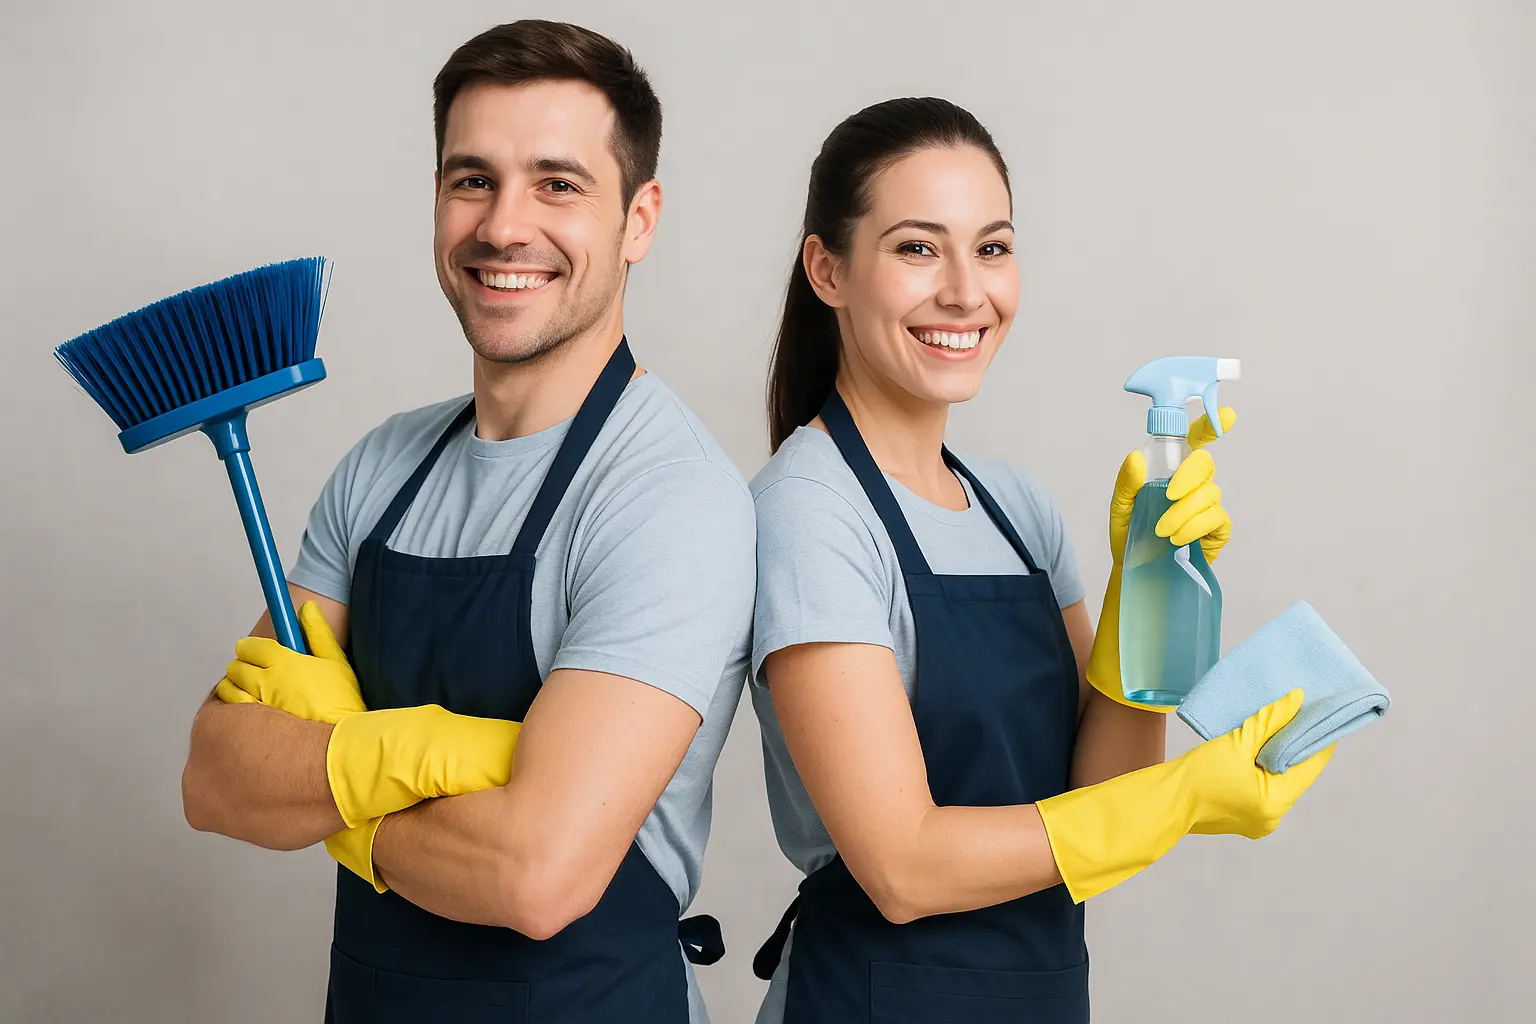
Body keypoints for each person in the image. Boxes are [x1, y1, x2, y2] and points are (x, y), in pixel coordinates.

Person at [179, 20, 755, 1024]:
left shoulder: (668, 496)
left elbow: (538, 874)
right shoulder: (383, 467)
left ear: (639, 218)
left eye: (558, 184)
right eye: (472, 179)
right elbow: (218, 774)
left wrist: (338, 785)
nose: (502, 226)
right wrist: (407, 757)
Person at [745, 97, 1334, 1023]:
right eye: (915, 248)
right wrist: (1187, 798)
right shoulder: (808, 513)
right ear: (828, 269)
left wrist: (1150, 593)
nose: (964, 292)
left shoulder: (1018, 510)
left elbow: (1104, 801)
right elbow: (902, 867)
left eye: (991, 247)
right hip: (871, 1000)